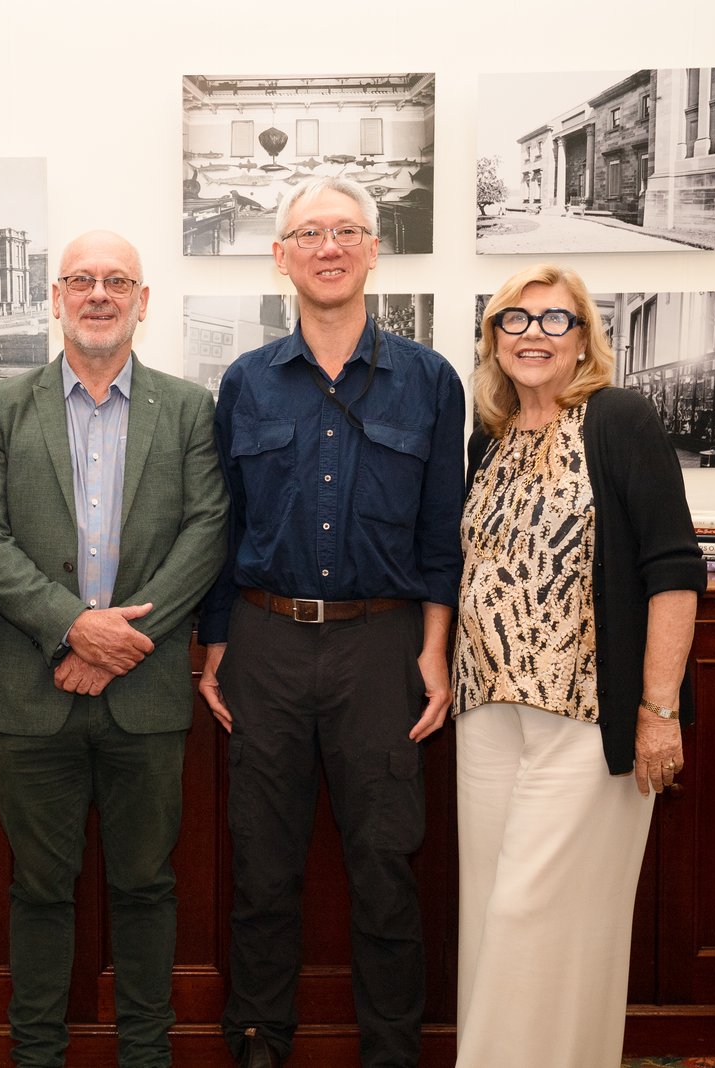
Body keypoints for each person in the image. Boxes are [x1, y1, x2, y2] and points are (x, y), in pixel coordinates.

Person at [197, 176, 465, 1068]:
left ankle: (392, 1051)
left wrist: (434, 652)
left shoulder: (430, 381)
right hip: (266, 644)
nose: (329, 246)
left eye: (347, 230)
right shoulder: (244, 383)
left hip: (382, 646)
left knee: (388, 867)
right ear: (281, 255)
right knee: (261, 866)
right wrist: (216, 649)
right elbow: (224, 526)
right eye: (309, 232)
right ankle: (258, 1040)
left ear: (373, 249)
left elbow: (440, 533)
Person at [0, 230, 228, 1067]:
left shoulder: (187, 407)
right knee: (38, 889)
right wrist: (73, 627)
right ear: (56, 297)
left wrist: (121, 641)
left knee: (146, 886)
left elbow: (208, 528)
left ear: (142, 300)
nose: (99, 294)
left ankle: (147, 1053)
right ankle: (36, 1053)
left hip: (144, 697)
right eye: (82, 280)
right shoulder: (1, 407)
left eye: (118, 281)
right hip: (29, 692)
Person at [452, 264, 705, 1067]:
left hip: (588, 718)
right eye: (513, 321)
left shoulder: (619, 420)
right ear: (493, 339)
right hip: (485, 714)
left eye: (555, 320)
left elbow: (674, 568)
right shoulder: (487, 438)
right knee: (492, 920)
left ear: (584, 338)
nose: (533, 335)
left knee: (540, 923)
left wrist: (659, 712)